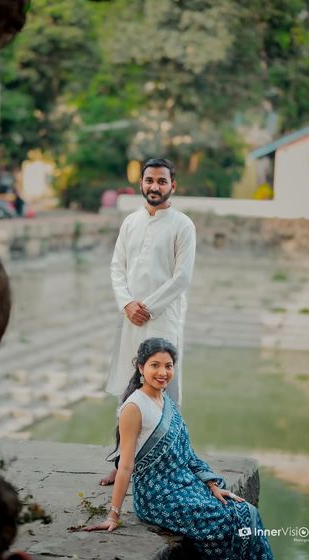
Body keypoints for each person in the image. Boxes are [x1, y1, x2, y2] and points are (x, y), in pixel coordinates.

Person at [86, 338, 274, 559]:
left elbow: (187, 454)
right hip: (156, 496)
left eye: (168, 366)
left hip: (183, 483)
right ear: (140, 367)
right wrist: (113, 515)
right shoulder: (134, 407)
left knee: (246, 511)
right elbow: (126, 466)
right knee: (230, 519)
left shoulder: (166, 401)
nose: (163, 372)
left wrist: (212, 484)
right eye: (155, 365)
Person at [101, 157, 196, 485]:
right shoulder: (130, 222)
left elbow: (182, 278)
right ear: (141, 183)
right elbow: (117, 268)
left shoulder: (183, 225)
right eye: (149, 180)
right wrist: (127, 303)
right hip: (130, 319)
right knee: (127, 390)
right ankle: (120, 461)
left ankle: (168, 466)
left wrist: (148, 307)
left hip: (163, 320)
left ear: (173, 186)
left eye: (161, 181)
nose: (154, 186)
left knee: (165, 388)